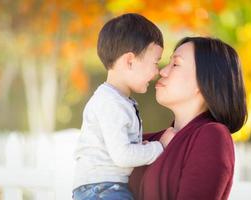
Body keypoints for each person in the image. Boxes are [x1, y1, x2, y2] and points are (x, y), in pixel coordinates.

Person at [129, 37, 247, 200]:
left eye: (175, 64)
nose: (162, 72)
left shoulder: (213, 136)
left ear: (205, 80)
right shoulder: (146, 142)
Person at [72, 13, 175, 200]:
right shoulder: (111, 103)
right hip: (102, 189)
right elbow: (123, 156)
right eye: (155, 62)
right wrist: (159, 147)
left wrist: (139, 147)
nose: (157, 71)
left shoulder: (117, 100)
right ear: (129, 61)